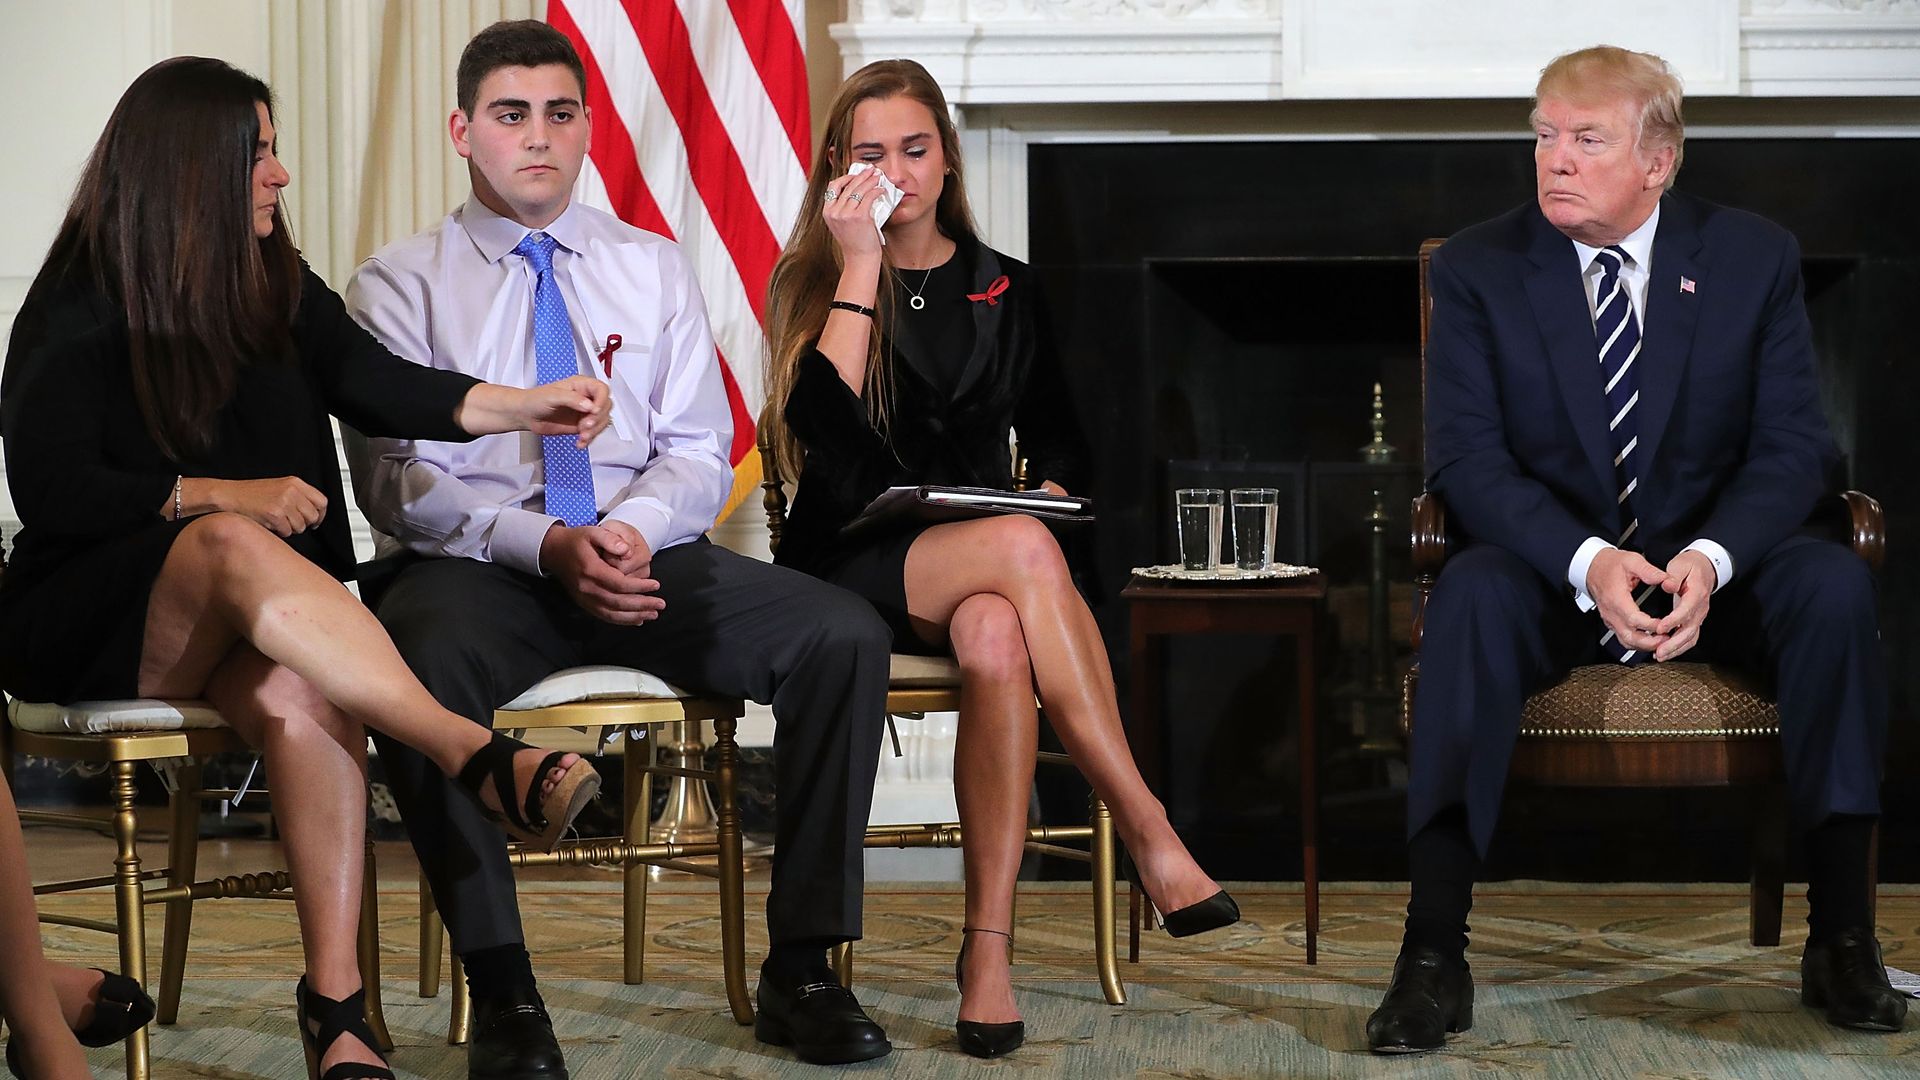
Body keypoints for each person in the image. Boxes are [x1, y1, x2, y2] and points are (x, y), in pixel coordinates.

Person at [0, 57, 615, 1079]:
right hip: (92, 617)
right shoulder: (75, 301)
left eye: (276, 149)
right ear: (189, 170)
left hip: (250, 620)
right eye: (260, 153)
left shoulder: (272, 280)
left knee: (305, 686)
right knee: (237, 542)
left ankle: (338, 1014)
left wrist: (525, 403)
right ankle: (471, 752)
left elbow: (379, 384)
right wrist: (215, 495)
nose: (280, 176)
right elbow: (56, 490)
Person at [345, 21, 895, 1074]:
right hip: (480, 569)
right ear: (464, 130)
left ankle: (807, 967)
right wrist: (545, 542)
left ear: (590, 128)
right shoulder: (397, 284)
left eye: (560, 114)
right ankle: (505, 993)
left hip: (644, 557)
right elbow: (397, 485)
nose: (538, 138)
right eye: (512, 115)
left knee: (840, 634)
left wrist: (623, 534)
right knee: (413, 659)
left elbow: (696, 448)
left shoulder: (650, 265)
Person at [1366, 45, 1902, 1054]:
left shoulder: (1752, 257)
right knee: (1470, 595)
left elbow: (1797, 450)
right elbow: (1468, 464)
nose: (1555, 160)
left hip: (1716, 567)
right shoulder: (1485, 266)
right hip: (1549, 571)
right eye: (1545, 137)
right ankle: (1432, 955)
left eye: (1586, 140)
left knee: (1832, 584)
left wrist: (1710, 557)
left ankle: (1842, 940)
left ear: (1658, 161)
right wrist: (1586, 560)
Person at [760, 58, 1239, 1060]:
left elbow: (1061, 440)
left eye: (915, 148)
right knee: (1019, 551)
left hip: (973, 569)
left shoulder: (1005, 285)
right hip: (847, 569)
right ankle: (1148, 824)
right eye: (871, 153)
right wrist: (857, 263)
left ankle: (987, 957)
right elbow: (830, 444)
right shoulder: (813, 278)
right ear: (839, 172)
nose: (897, 170)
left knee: (997, 633)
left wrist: (1055, 487)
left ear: (946, 160)